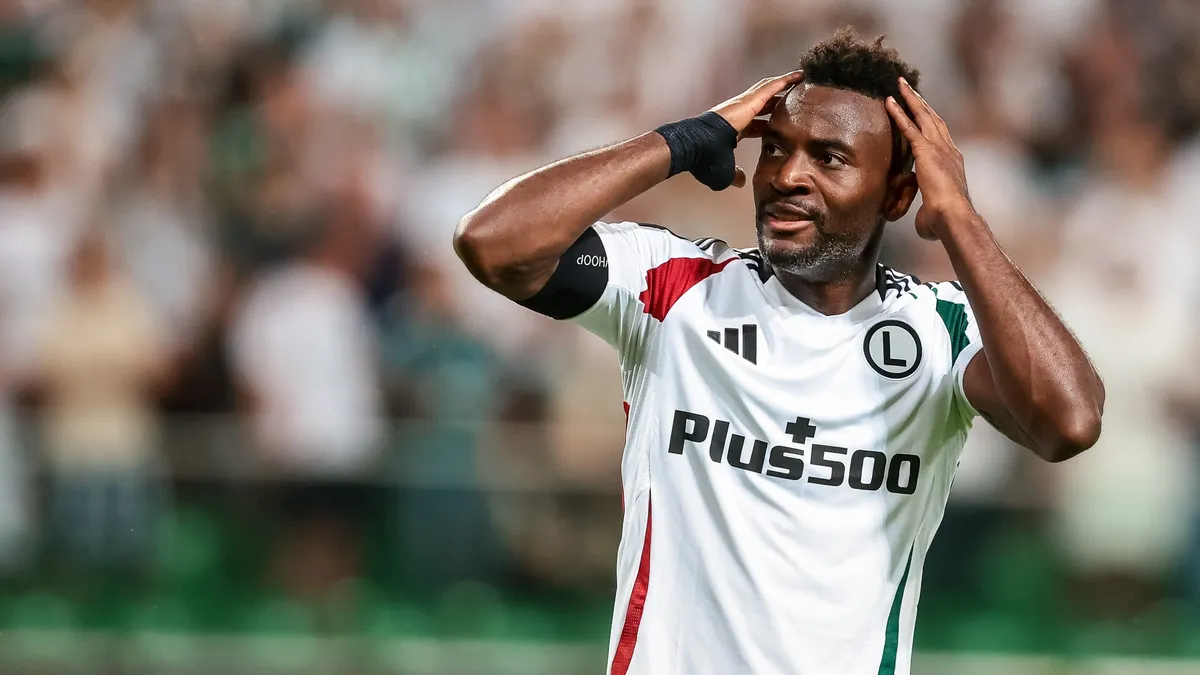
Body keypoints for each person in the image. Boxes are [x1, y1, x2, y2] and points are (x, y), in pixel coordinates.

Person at [454, 30, 1104, 675]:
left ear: (898, 195)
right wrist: (682, 141)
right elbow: (492, 242)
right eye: (775, 148)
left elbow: (1070, 420)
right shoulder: (674, 287)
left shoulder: (940, 330)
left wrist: (960, 217)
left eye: (829, 158)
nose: (789, 175)